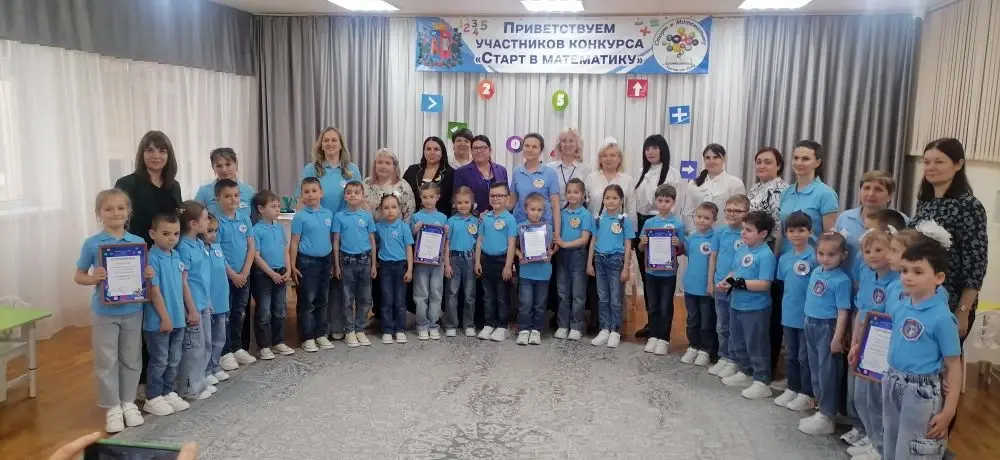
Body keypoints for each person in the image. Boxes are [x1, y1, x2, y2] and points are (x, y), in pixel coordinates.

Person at [875, 232, 962, 460]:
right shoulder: (900, 306)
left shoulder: (942, 318)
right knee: (890, 446)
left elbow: (954, 365)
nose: (908, 277)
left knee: (914, 451)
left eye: (918, 272)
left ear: (939, 278)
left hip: (921, 391)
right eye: (905, 270)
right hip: (893, 380)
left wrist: (949, 411)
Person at [74, 189, 152, 433]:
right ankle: (112, 407)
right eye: (108, 209)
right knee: (106, 360)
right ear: (99, 214)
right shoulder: (92, 244)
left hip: (133, 309)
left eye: (121, 208)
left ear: (129, 212)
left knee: (132, 357)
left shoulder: (138, 242)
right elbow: (79, 276)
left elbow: (144, 275)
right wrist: (93, 278)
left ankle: (128, 402)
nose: (115, 213)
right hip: (104, 313)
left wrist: (148, 274)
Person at [912, 138, 987, 339]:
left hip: (950, 299)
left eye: (939, 161)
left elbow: (976, 263)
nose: (930, 167)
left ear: (958, 164)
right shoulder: (925, 202)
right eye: (926, 162)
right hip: (920, 295)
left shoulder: (969, 205)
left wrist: (963, 310)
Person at [300, 127, 361, 342]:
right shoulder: (311, 169)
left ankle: (337, 324)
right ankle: (318, 329)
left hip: (345, 229)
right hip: (320, 229)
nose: (330, 144)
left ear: (341, 144)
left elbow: (358, 198)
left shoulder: (351, 169)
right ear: (321, 144)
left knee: (340, 279)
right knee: (320, 281)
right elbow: (303, 198)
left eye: (334, 140)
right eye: (326, 140)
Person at [844, 228, 898, 459]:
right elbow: (861, 311)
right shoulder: (867, 274)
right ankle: (871, 436)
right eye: (867, 251)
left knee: (877, 399)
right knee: (860, 397)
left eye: (879, 249)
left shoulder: (897, 282)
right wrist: (855, 340)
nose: (873, 255)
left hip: (882, 347)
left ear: (892, 251)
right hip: (863, 343)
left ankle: (880, 447)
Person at [717, 211, 777, 401]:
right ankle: (745, 371)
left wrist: (740, 283)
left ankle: (762, 380)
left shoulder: (766, 255)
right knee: (738, 340)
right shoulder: (743, 249)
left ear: (763, 234)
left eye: (749, 230)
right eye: (743, 229)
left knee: (756, 343)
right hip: (737, 304)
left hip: (755, 308)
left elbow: (765, 284)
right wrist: (727, 280)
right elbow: (735, 271)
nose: (743, 233)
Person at [141, 213, 195, 417]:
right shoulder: (151, 259)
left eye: (176, 234)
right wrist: (164, 317)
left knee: (174, 359)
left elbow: (182, 285)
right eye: (165, 234)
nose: (172, 238)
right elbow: (154, 292)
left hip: (178, 318)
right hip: (159, 322)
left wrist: (190, 310)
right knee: (160, 359)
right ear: (152, 234)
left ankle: (168, 391)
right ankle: (153, 397)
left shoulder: (176, 255)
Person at [799, 232, 852, 435]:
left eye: (831, 254)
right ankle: (820, 408)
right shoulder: (815, 272)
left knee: (828, 372)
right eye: (821, 253)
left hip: (827, 327)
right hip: (810, 323)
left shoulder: (842, 280)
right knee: (815, 369)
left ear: (843, 255)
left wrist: (837, 338)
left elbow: (843, 312)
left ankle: (828, 415)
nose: (825, 258)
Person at [633, 134, 685, 339]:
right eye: (647, 148)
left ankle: (663, 330)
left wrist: (670, 228)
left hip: (664, 226)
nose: (651, 152)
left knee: (663, 277)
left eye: (655, 148)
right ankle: (652, 323)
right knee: (648, 276)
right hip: (644, 225)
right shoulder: (641, 172)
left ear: (663, 150)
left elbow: (676, 205)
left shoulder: (672, 173)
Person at [774, 212, 817, 412]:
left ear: (810, 231)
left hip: (808, 315)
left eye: (801, 230)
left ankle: (806, 393)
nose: (796, 234)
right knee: (790, 354)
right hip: (789, 313)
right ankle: (792, 387)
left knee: (804, 356)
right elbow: (784, 285)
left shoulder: (816, 257)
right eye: (791, 231)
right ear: (786, 233)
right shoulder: (784, 258)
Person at [637, 185, 686, 358]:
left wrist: (677, 243)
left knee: (665, 306)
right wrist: (643, 242)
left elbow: (683, 249)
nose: (663, 204)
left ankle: (664, 338)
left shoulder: (678, 223)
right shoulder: (649, 223)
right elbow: (641, 248)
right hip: (651, 272)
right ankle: (653, 335)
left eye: (667, 201)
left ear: (673, 202)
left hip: (668, 273)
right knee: (653, 305)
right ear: (655, 201)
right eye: (660, 200)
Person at [214, 179, 257, 371]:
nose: (233, 199)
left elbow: (251, 247)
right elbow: (217, 252)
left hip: (244, 275)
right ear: (218, 199)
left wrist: (245, 271)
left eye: (236, 195)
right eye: (227, 196)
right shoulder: (216, 223)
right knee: (226, 314)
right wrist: (232, 274)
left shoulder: (244, 218)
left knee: (240, 312)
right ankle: (225, 352)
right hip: (225, 277)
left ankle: (237, 347)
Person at [115, 131, 183, 248]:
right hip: (135, 251)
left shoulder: (174, 186)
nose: (156, 156)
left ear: (169, 156)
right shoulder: (126, 183)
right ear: (142, 154)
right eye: (150, 150)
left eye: (162, 151)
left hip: (167, 252)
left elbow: (176, 222)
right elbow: (117, 222)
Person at [708, 195, 751, 379]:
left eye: (737, 210)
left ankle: (734, 359)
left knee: (735, 326)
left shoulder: (747, 234)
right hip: (719, 285)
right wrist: (710, 281)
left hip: (736, 287)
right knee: (722, 325)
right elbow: (713, 257)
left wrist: (731, 281)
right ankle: (724, 356)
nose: (732, 214)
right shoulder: (720, 232)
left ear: (747, 212)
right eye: (729, 210)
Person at [289, 177, 335, 353]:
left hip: (325, 261)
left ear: (321, 193)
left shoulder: (328, 214)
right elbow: (294, 242)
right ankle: (307, 337)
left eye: (314, 191)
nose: (310, 195)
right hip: (306, 262)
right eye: (306, 192)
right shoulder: (300, 216)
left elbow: (330, 238)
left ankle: (321, 334)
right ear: (301, 196)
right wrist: (292, 265)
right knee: (307, 301)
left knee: (323, 299)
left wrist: (333, 262)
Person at [174, 202, 213, 401]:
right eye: (205, 218)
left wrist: (208, 301)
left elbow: (203, 276)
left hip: (203, 303)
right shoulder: (183, 247)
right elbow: (183, 281)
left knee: (205, 344)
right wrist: (191, 309)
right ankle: (188, 387)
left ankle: (200, 380)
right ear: (193, 223)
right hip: (193, 306)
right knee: (193, 349)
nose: (208, 222)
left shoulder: (198, 243)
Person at [587, 184, 634, 349]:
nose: (611, 201)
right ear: (603, 200)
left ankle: (615, 330)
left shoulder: (624, 220)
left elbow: (628, 245)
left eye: (615, 198)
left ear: (621, 200)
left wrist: (626, 267)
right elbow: (593, 241)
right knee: (603, 297)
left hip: (616, 261)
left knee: (615, 298)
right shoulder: (598, 220)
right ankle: (604, 329)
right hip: (599, 261)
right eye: (607, 198)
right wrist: (589, 263)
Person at [332, 181, 377, 348]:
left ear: (363, 196)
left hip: (365, 261)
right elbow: (336, 242)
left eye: (357, 192)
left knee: (365, 298)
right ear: (344, 196)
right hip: (347, 262)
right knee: (347, 298)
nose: (352, 195)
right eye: (349, 192)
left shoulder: (367, 216)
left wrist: (374, 264)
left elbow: (372, 241)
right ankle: (349, 330)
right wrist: (336, 265)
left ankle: (360, 329)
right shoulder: (339, 216)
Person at [250, 191, 293, 360]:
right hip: (264, 275)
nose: (277, 209)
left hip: (281, 272)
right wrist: (271, 273)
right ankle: (264, 346)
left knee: (280, 310)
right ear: (261, 209)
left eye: (278, 206)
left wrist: (288, 269)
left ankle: (278, 341)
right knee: (264, 312)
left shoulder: (279, 227)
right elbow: (256, 256)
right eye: (273, 206)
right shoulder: (256, 230)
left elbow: (285, 250)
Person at [778, 140, 839, 250]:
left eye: (805, 159)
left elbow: (830, 237)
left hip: (812, 257)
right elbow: (781, 234)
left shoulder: (826, 194)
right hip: (785, 257)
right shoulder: (786, 192)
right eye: (796, 158)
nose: (799, 163)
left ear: (817, 163)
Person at [475, 182, 517, 342]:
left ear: (507, 198)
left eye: (500, 195)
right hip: (486, 260)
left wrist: (508, 266)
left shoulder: (510, 219)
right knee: (488, 296)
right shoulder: (485, 218)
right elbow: (479, 240)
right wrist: (477, 261)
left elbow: (512, 244)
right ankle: (489, 324)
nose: (496, 198)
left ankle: (502, 326)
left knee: (502, 296)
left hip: (502, 261)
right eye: (493, 195)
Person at [834, 170, 900, 269]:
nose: (871, 194)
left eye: (878, 189)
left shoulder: (899, 221)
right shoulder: (844, 218)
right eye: (866, 188)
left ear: (890, 196)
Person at [515, 193, 556, 346]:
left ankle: (536, 331)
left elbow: (551, 248)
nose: (536, 213)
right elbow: (514, 246)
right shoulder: (521, 227)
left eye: (539, 210)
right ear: (526, 210)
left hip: (543, 272)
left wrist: (550, 253)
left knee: (540, 304)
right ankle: (524, 330)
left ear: (543, 211)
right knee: (525, 303)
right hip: (526, 272)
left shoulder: (548, 228)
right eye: (533, 209)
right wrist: (519, 255)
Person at [555, 178, 592, 341]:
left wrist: (565, 243)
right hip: (562, 256)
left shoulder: (586, 215)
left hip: (578, 255)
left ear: (583, 195)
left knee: (578, 293)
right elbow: (556, 234)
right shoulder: (562, 213)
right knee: (562, 292)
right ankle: (563, 325)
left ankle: (576, 326)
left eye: (576, 192)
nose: (572, 195)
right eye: (569, 192)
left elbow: (584, 239)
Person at [679, 201, 717, 361]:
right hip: (690, 286)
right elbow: (686, 253)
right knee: (692, 319)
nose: (701, 220)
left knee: (707, 321)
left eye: (706, 218)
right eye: (699, 217)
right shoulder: (691, 238)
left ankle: (706, 349)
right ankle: (693, 346)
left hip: (706, 288)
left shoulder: (716, 238)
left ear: (714, 220)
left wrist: (711, 283)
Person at [411, 182, 449, 340]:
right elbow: (411, 238)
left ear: (438, 197)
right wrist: (415, 229)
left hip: (437, 263)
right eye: (425, 197)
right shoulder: (416, 217)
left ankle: (434, 324)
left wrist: (446, 231)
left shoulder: (443, 217)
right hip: (421, 262)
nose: (428, 200)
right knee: (421, 294)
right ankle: (422, 324)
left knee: (436, 293)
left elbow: (446, 241)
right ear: (420, 198)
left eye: (431, 197)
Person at [374, 193, 414, 344]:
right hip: (385, 267)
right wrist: (374, 262)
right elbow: (373, 244)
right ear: (381, 210)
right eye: (386, 207)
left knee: (400, 300)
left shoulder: (404, 227)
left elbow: (409, 248)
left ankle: (400, 329)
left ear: (399, 209)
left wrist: (409, 269)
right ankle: (387, 330)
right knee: (387, 299)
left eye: (393, 207)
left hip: (401, 266)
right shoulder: (378, 227)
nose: (390, 210)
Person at [201, 214, 232, 385]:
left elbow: (224, 269)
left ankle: (215, 365)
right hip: (208, 303)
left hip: (222, 301)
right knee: (207, 339)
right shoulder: (200, 250)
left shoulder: (217, 247)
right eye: (209, 231)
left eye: (215, 231)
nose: (213, 235)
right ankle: (205, 370)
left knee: (220, 337)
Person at [444, 187, 479, 337]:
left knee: (469, 294)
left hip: (470, 259)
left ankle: (469, 324)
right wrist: (447, 264)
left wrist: (477, 262)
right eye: (459, 202)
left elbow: (478, 244)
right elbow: (446, 244)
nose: (463, 205)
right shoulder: (451, 221)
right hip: (454, 259)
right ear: (454, 204)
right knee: (452, 293)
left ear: (472, 204)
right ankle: (451, 324)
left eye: (466, 202)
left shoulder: (476, 221)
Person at [684, 144, 746, 228]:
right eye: (708, 158)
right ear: (704, 160)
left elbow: (740, 214)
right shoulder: (693, 183)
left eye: (716, 157)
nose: (711, 161)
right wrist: (694, 232)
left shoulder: (735, 183)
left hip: (725, 233)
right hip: (698, 233)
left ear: (724, 159)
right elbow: (688, 213)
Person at [511, 133, 561, 233]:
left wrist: (557, 234)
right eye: (527, 146)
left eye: (534, 147)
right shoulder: (517, 172)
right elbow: (511, 202)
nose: (530, 149)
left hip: (543, 228)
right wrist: (493, 212)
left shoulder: (550, 173)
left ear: (540, 150)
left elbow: (555, 206)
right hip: (520, 226)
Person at [584, 139, 636, 228]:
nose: (608, 159)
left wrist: (632, 232)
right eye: (604, 156)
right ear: (600, 159)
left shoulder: (628, 180)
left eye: (612, 155)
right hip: (595, 229)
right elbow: (585, 206)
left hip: (620, 229)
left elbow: (631, 210)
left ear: (619, 159)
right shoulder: (590, 178)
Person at [194, 148, 256, 218]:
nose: (224, 170)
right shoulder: (204, 192)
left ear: (236, 164)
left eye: (228, 164)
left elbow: (255, 219)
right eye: (219, 166)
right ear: (213, 167)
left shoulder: (248, 190)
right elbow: (195, 218)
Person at [454, 135, 509, 214]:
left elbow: (506, 196)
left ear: (490, 150)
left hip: (498, 217)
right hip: (472, 218)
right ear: (471, 151)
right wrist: (475, 216)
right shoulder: (461, 172)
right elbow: (458, 201)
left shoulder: (501, 170)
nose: (479, 151)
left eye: (483, 147)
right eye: (475, 148)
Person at [404, 136, 454, 216]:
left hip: (440, 219)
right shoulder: (412, 170)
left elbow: (453, 200)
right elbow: (404, 194)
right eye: (428, 149)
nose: (432, 152)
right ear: (424, 152)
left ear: (442, 152)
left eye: (436, 149)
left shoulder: (450, 173)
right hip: (413, 217)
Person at [364, 148, 415, 223]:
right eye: (380, 162)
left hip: (397, 229)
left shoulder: (403, 186)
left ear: (394, 166)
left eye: (387, 163)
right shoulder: (366, 183)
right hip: (368, 229)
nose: (383, 166)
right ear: (375, 165)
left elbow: (409, 214)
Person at [547, 128, 591, 208]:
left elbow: (587, 198)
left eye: (571, 141)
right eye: (564, 141)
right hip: (553, 213)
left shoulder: (586, 169)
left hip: (577, 214)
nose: (567, 144)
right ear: (559, 145)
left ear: (577, 145)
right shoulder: (549, 168)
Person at [747, 147, 788, 231]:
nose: (762, 166)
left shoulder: (783, 189)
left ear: (778, 166)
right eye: (759, 162)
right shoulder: (754, 187)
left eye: (767, 162)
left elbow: (779, 225)